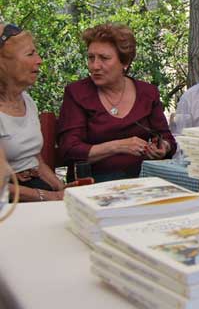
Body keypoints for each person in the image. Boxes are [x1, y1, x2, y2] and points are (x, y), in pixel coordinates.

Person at [57, 23, 176, 182]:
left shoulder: (147, 93)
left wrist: (162, 147)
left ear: (125, 62)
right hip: (93, 183)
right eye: (91, 58)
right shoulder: (77, 93)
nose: (95, 66)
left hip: (143, 181)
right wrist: (118, 146)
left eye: (104, 58)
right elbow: (69, 150)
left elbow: (167, 138)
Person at [0, 23, 65, 201]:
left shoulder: (27, 101)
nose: (39, 60)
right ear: (4, 62)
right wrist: (47, 196)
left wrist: (63, 189)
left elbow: (36, 160)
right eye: (30, 54)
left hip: (35, 190)